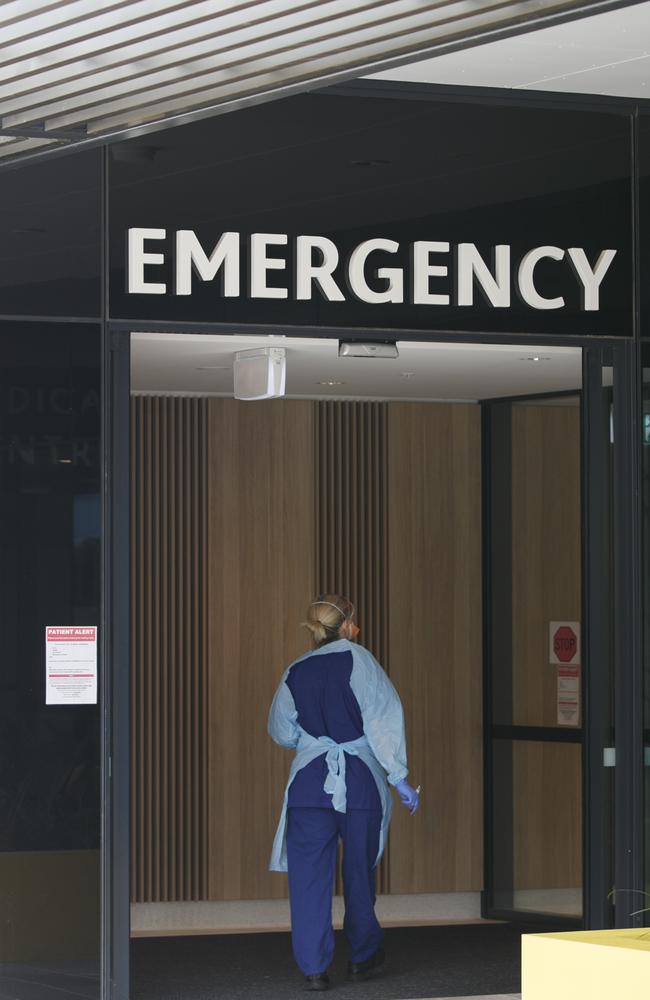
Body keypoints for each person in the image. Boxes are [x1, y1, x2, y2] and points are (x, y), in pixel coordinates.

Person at [268, 594, 420, 991]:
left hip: (308, 786)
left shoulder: (295, 669)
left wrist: (312, 737)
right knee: (357, 873)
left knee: (307, 880)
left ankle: (314, 968)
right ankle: (363, 956)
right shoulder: (361, 661)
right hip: (359, 784)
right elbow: (383, 720)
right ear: (349, 622)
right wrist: (399, 777)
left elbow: (282, 732)